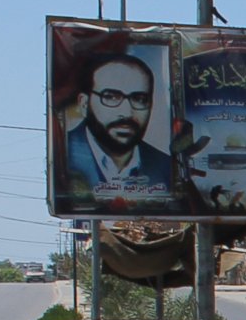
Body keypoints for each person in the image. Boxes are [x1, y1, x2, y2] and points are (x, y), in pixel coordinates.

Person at [58, 52, 180, 211]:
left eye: (139, 99)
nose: (127, 112)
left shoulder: (166, 168)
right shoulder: (62, 157)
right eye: (111, 97)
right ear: (84, 104)